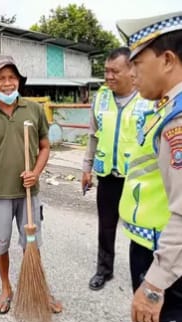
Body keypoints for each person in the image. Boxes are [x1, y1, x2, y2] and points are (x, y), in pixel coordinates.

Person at [0, 55, 62, 314]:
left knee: (31, 244)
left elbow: (45, 147)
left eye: (12, 77)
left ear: (19, 80)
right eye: (1, 78)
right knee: (0, 244)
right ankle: (6, 287)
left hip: (28, 193)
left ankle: (39, 288)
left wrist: (35, 172)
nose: (8, 83)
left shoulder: (33, 110)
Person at [116, 12, 182, 322]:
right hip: (153, 245)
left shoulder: (177, 121)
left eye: (137, 63)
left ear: (167, 60)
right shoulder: (165, 109)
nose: (131, 73)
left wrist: (154, 285)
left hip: (166, 256)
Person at [82, 47, 155, 291]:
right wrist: (86, 167)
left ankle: (148, 274)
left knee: (143, 229)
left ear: (132, 70)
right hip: (108, 176)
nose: (109, 76)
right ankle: (104, 270)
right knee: (106, 225)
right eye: (106, 71)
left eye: (115, 71)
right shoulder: (101, 97)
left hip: (138, 179)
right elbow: (93, 135)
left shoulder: (148, 98)